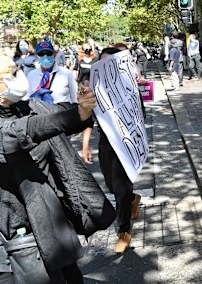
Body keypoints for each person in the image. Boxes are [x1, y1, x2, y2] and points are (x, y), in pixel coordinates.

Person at [0, 55, 114, 283]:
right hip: (18, 243)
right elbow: (28, 130)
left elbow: (59, 113)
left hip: (54, 229)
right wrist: (76, 114)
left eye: (16, 69)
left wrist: (86, 105)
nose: (17, 76)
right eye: (9, 73)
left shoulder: (29, 106)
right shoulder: (17, 123)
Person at [81, 47, 143, 254]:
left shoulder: (128, 87)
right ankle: (132, 199)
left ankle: (124, 231)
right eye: (102, 63)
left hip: (126, 146)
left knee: (121, 189)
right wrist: (85, 144)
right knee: (112, 186)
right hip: (106, 146)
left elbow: (139, 117)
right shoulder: (93, 89)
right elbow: (88, 118)